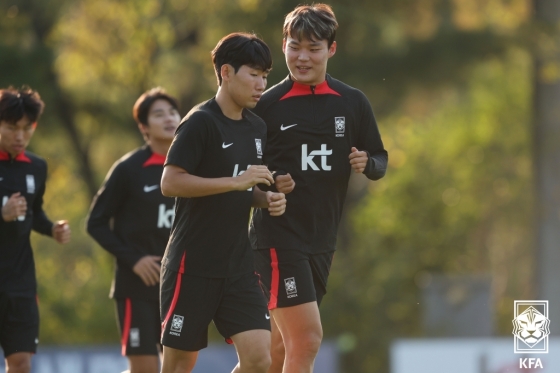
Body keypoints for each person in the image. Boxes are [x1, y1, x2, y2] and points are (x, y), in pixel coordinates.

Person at [249, 4, 388, 373]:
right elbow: (242, 173)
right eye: (295, 46)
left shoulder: (353, 102)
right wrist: (272, 182)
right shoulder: (265, 105)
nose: (303, 56)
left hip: (323, 240)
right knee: (308, 340)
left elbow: (380, 158)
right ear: (283, 46)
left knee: (277, 353)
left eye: (313, 47)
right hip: (278, 238)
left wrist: (367, 163)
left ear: (332, 49)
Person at [159, 32, 286, 373]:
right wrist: (237, 181)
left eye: (265, 76)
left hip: (237, 267)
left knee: (260, 360)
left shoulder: (257, 127)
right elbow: (170, 182)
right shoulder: (200, 121)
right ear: (226, 72)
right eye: (254, 74)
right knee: (177, 367)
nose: (261, 84)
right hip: (191, 265)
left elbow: (247, 191)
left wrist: (266, 197)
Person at [86, 88, 181, 373]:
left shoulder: (193, 165)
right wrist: (134, 260)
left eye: (172, 112)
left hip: (179, 284)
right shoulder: (128, 169)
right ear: (143, 127)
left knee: (178, 367)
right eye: (158, 114)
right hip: (135, 287)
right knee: (145, 370)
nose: (168, 118)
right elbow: (96, 223)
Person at [0, 87, 71, 373]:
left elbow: (33, 212)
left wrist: (51, 228)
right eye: (11, 128)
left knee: (20, 363)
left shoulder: (38, 167)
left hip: (20, 283)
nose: (20, 136)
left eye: (27, 129)